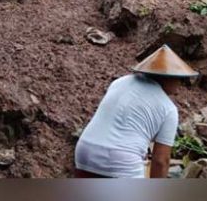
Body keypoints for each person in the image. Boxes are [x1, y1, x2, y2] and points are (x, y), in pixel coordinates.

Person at [74, 45, 199, 178]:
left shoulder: (119, 82)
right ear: (168, 78)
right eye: (179, 79)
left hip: (84, 151)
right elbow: (161, 161)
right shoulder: (168, 108)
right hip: (121, 162)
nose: (180, 84)